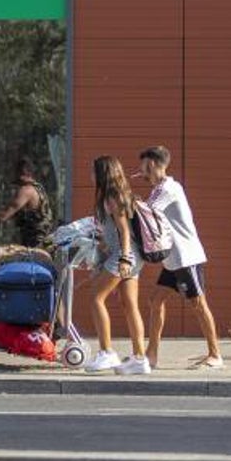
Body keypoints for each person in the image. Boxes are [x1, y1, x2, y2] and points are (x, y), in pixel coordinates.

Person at [135, 145, 223, 370]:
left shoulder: (169, 189)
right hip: (172, 260)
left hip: (186, 257)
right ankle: (151, 354)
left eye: (143, 166)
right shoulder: (159, 189)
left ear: (153, 164)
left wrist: (125, 198)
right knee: (155, 302)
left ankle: (215, 355)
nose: (141, 171)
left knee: (198, 303)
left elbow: (147, 213)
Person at [83, 155, 150, 375]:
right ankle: (139, 358)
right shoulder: (117, 194)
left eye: (93, 171)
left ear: (103, 173)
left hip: (125, 255)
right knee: (129, 305)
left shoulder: (113, 196)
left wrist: (122, 258)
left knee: (96, 298)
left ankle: (106, 352)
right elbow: (114, 231)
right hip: (130, 256)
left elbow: (123, 231)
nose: (90, 175)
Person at [0, 155, 55, 249]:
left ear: (24, 172)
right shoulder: (39, 189)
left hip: (35, 245)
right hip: (44, 243)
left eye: (15, 171)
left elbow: (3, 216)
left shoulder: (26, 191)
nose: (13, 175)